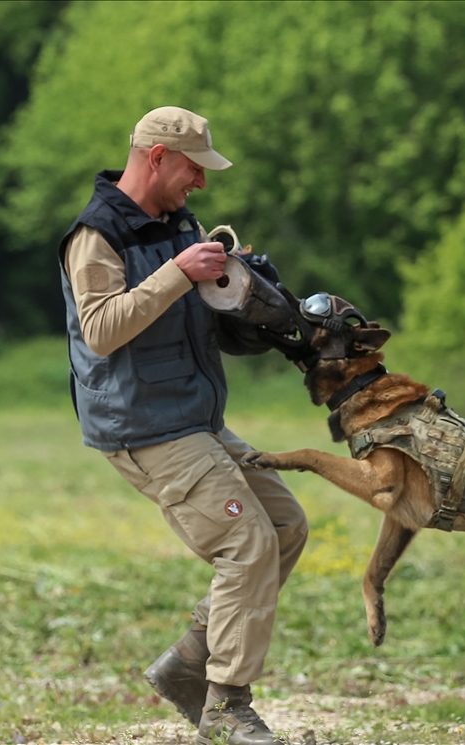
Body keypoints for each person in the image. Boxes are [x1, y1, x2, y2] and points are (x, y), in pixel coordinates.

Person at [58, 106, 308, 745]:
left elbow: (199, 311)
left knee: (284, 525)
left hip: (192, 415)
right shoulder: (97, 235)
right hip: (143, 424)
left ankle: (190, 660)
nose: (199, 183)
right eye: (194, 169)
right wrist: (178, 273)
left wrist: (246, 295)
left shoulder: (178, 221)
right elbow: (103, 329)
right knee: (246, 542)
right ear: (158, 158)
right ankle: (225, 707)